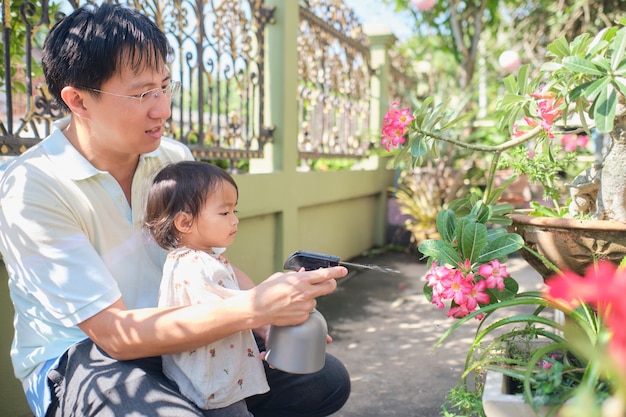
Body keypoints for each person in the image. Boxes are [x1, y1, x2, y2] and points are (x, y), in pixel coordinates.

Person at [0, 3, 350, 417]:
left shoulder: (171, 158)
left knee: (323, 380)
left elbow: (208, 259)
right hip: (86, 355)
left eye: (165, 87)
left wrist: (265, 322)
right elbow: (115, 334)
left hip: (181, 331)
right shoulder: (33, 187)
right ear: (77, 100)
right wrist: (252, 306)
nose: (162, 109)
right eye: (142, 94)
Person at [145, 161, 271, 410]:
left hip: (214, 370)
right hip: (214, 380)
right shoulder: (195, 265)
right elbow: (217, 314)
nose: (234, 220)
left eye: (235, 211)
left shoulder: (200, 258)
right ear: (184, 222)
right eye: (225, 213)